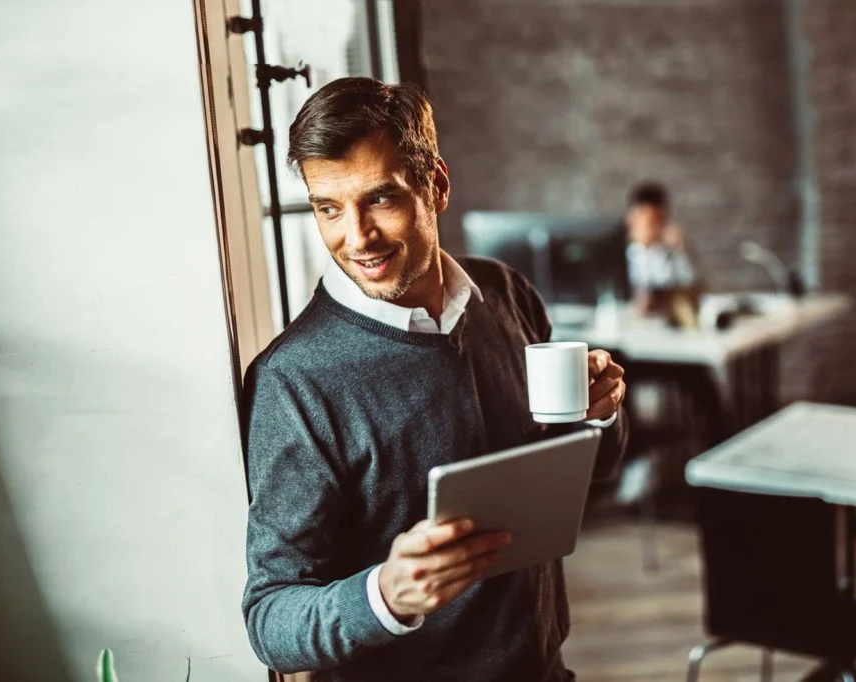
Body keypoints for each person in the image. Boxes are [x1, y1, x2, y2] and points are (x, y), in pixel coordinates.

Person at [240, 77, 629, 682]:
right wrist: (385, 596)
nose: (356, 237)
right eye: (328, 208)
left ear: (437, 185)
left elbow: (590, 471)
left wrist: (601, 413)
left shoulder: (504, 292)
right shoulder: (293, 380)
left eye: (381, 199)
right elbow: (270, 619)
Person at [624, 182, 698, 324]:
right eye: (643, 218)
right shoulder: (624, 251)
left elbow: (688, 286)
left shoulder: (669, 250)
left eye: (654, 220)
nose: (649, 226)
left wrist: (679, 251)